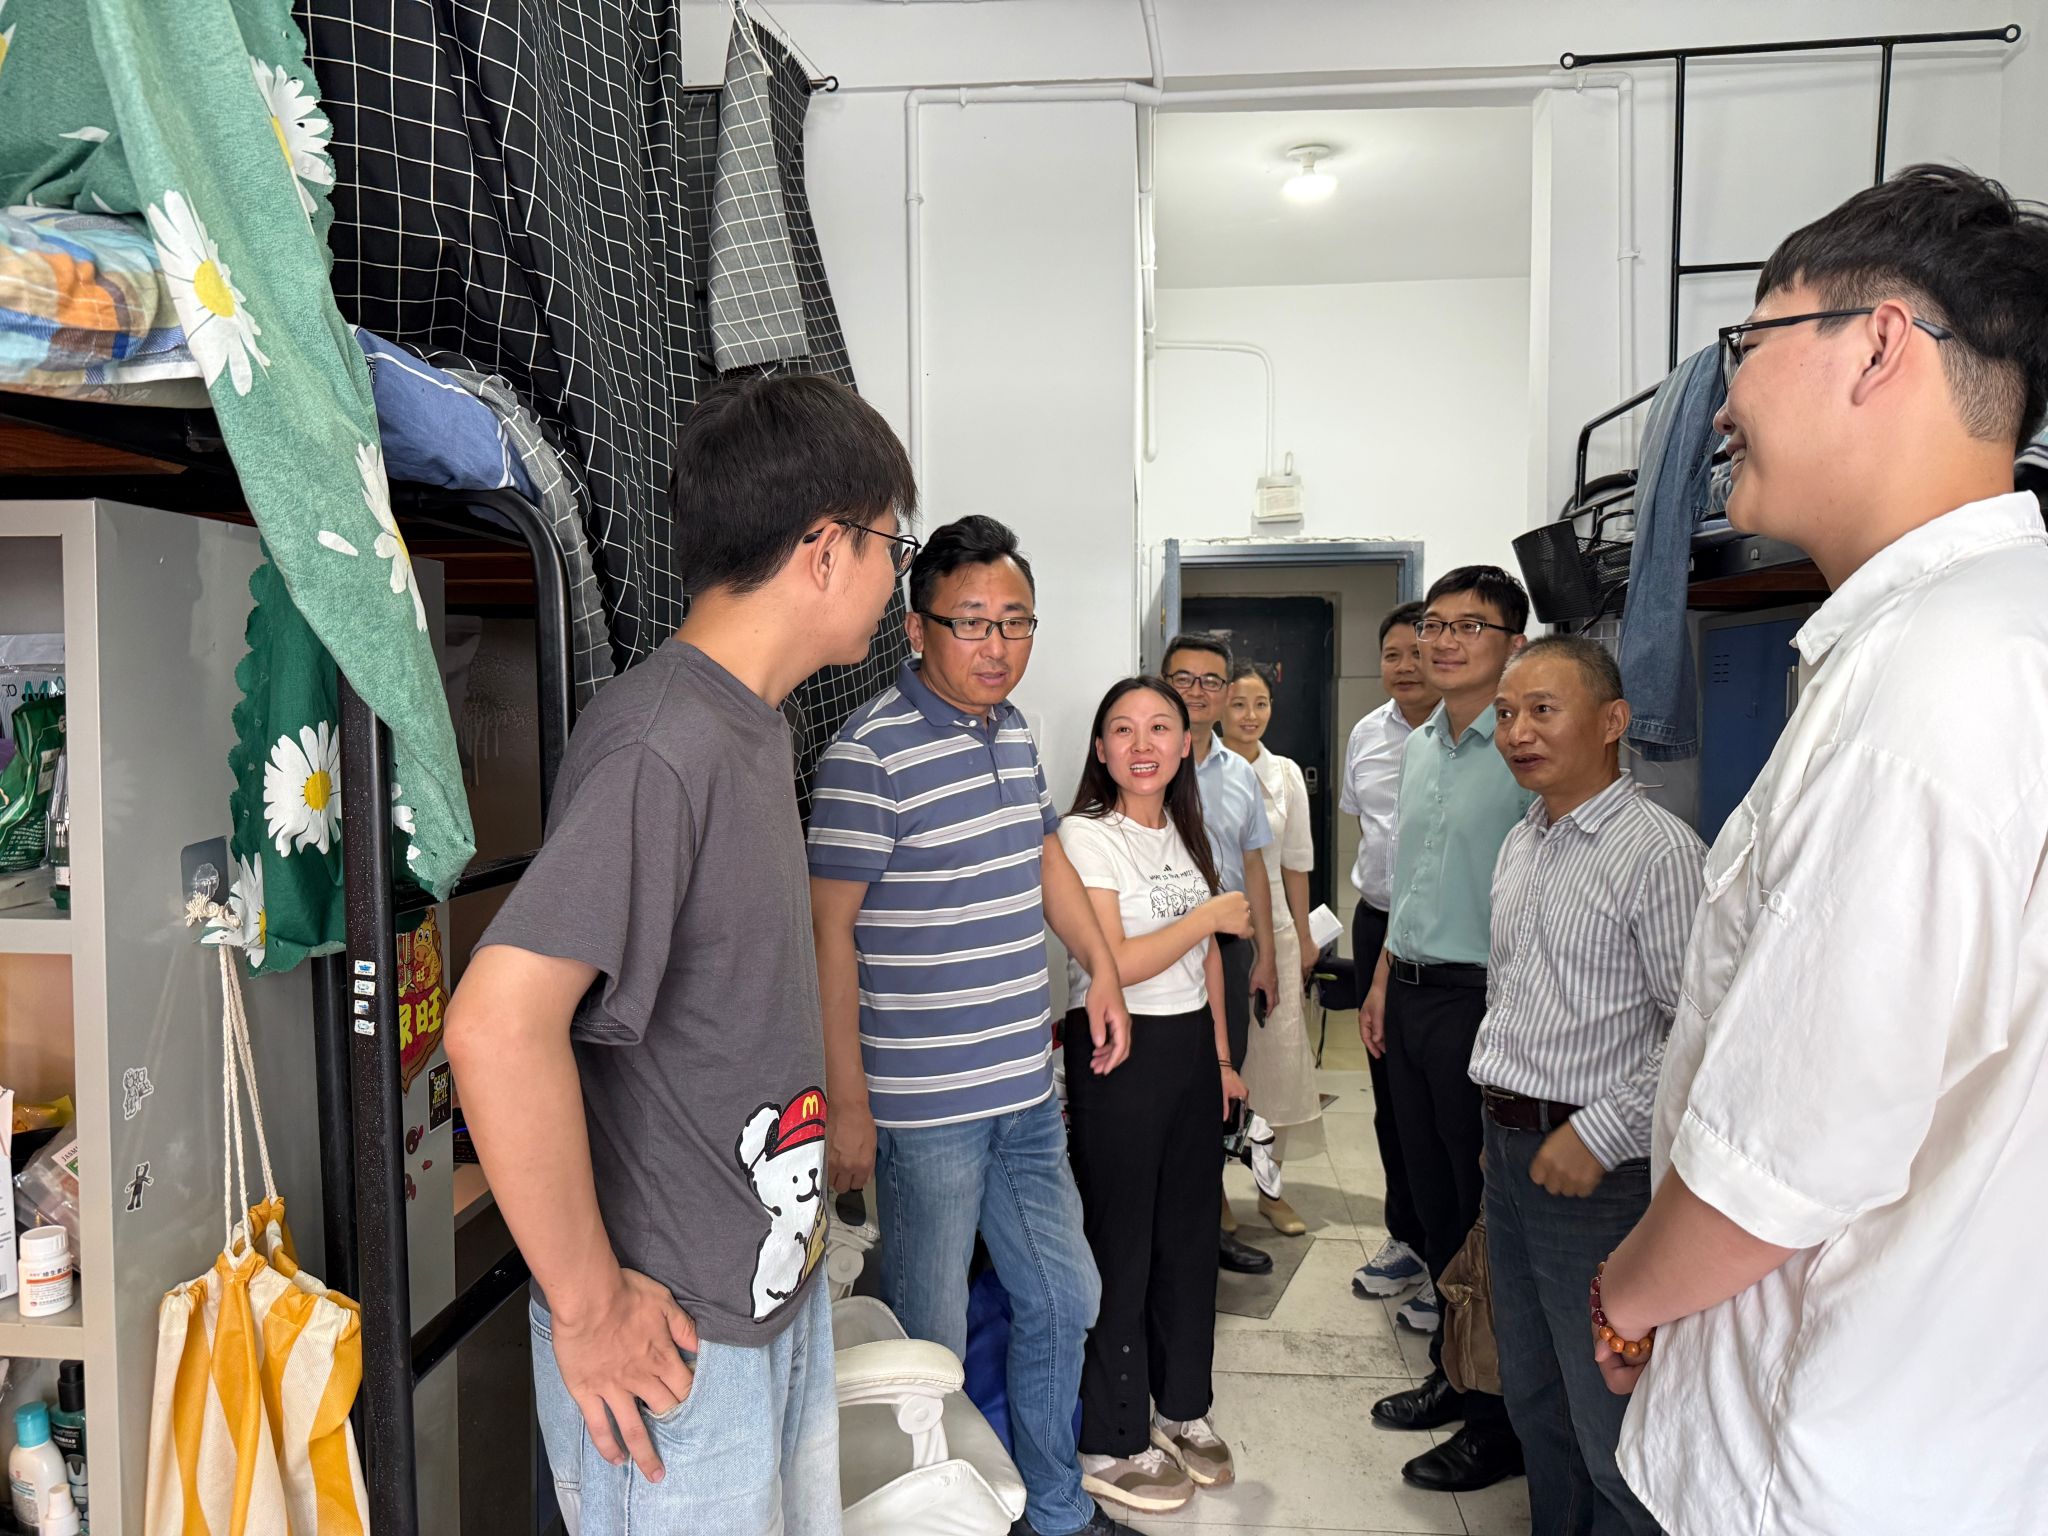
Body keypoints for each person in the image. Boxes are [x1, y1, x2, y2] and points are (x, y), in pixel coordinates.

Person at [1595, 165, 2048, 1536]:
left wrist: (1628, 1293)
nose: (1718, 404)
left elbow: (1784, 1154)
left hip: (1827, 1455)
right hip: (1949, 1436)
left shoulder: (1928, 685)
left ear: (1877, 345)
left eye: (1749, 343)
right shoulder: (2001, 628)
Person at [444, 375, 918, 1535]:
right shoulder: (662, 745)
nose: (893, 580)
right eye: (891, 548)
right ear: (825, 550)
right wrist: (588, 1307)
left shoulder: (752, 725)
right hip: (677, 1349)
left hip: (757, 1295)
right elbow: (495, 1026)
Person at [806, 514, 1134, 1536]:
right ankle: (940, 1518)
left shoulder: (1016, 731)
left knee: (1065, 1299)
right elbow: (826, 933)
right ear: (917, 629)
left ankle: (1055, 1510)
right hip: (924, 1112)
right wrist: (848, 1104)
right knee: (929, 1342)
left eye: (1016, 622)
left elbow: (1044, 856)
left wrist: (1103, 971)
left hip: (1026, 1094)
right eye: (973, 623)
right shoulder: (868, 756)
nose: (998, 646)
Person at [1472, 636, 1703, 1535]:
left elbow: (1698, 1029)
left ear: (1613, 722)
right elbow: (1517, 997)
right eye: (1505, 714)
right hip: (1513, 1152)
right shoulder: (1523, 841)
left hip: (1600, 1176)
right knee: (1536, 1397)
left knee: (1611, 1420)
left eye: (1543, 710)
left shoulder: (1658, 852)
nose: (1517, 732)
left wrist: (1601, 1132)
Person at [1057, 676, 1253, 1516]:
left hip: (1187, 1052)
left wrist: (1221, 1059)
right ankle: (1110, 1435)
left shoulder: (1182, 830)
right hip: (1119, 1050)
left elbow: (1206, 967)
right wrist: (1210, 916)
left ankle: (1182, 1408)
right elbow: (1117, 962)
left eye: (1160, 728)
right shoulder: (1084, 836)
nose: (1143, 745)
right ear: (1101, 750)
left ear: (1185, 745)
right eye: (1123, 730)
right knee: (1122, 1244)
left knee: (1188, 1237)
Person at [1360, 566, 1532, 1494]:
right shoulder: (1421, 746)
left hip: (1484, 1000)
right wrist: (1384, 978)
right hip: (1414, 992)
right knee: (1428, 1195)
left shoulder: (1525, 749)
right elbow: (1413, 879)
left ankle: (1499, 1419)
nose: (1445, 640)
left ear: (1514, 643)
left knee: (1480, 1209)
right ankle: (1454, 1370)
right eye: (1435, 624)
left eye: (1472, 626)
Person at [1161, 632, 1279, 1276]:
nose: (1197, 691)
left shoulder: (1240, 774)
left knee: (1220, 1090)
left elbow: (1254, 866)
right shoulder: (1144, 758)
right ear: (1163, 682)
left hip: (1229, 950)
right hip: (1157, 949)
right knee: (1165, 1087)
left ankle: (1207, 1229)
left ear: (1227, 692)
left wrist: (1265, 954)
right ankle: (1164, 1233)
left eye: (1211, 681)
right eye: (1184, 678)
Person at [1341, 600, 1441, 1318]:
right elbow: (1369, 830)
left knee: (1442, 1102)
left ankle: (1451, 1258)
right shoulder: (1366, 735)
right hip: (1376, 922)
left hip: (1445, 936)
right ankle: (1406, 1236)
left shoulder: (1471, 735)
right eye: (1392, 655)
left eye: (1417, 652)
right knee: (1390, 1097)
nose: (1405, 667)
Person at [1216, 660, 1320, 1234]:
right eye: (1238, 704)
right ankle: (1212, 1193)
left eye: (1260, 704)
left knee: (1276, 1068)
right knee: (1219, 1063)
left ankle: (1270, 1191)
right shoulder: (1198, 768)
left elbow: (1296, 863)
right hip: (1218, 934)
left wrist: (1302, 937)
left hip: (1275, 932)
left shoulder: (1284, 774)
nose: (1250, 715)